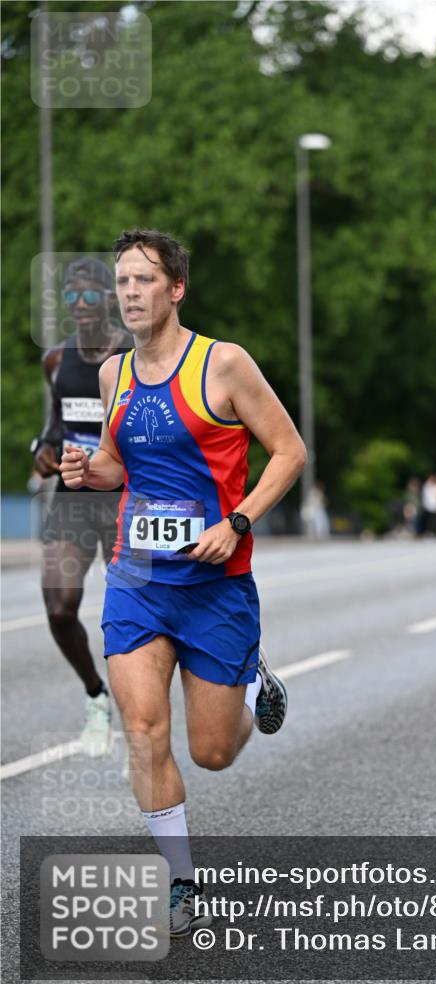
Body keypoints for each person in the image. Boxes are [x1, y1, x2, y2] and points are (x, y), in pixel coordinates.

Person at [60, 229, 307, 936]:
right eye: (123, 282)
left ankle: (256, 683)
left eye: (144, 280)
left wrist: (238, 519)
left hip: (214, 582)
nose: (130, 293)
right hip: (137, 578)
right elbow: (115, 462)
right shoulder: (114, 374)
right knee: (141, 730)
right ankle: (180, 882)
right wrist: (87, 473)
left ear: (175, 289)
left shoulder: (223, 364)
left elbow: (289, 452)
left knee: (213, 752)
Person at [32, 256, 130, 756]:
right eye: (72, 296)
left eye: (91, 294)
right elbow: (56, 426)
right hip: (74, 497)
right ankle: (96, 696)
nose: (81, 304)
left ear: (109, 298)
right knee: (58, 606)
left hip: (127, 498)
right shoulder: (56, 360)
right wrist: (42, 450)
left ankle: (236, 654)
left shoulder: (136, 354)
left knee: (145, 609)